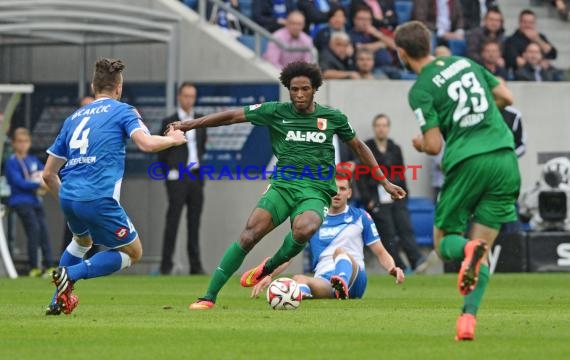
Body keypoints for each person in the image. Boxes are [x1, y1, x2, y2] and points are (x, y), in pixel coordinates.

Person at [167, 61, 406, 310]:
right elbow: (231, 116)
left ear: (314, 89)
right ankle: (208, 296)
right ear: (288, 89)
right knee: (249, 234)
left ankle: (267, 268)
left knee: (305, 228)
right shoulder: (275, 111)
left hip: (316, 190)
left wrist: (385, 181)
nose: (299, 94)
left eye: (305, 89)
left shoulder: (332, 117)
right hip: (283, 186)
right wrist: (188, 124)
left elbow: (359, 147)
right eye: (294, 89)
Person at [395, 21, 520, 340]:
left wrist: (420, 142)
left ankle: (469, 247)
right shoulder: (465, 62)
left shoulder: (420, 89)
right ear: (430, 41)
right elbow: (506, 96)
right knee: (484, 250)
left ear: (402, 53)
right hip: (505, 158)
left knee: (445, 243)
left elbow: (434, 145)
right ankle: (467, 319)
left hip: (468, 162)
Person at [43, 58, 187, 315]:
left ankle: (57, 300)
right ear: (119, 88)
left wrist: (68, 200)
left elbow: (47, 175)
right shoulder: (123, 110)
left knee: (81, 241)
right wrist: (174, 140)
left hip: (69, 197)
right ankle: (70, 273)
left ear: (92, 86)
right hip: (97, 198)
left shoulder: (73, 118)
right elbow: (146, 144)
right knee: (133, 252)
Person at [249, 178, 405, 300]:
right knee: (298, 279)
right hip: (325, 280)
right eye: (334, 188)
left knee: (340, 252)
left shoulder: (360, 217)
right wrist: (269, 275)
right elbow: (288, 255)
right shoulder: (314, 219)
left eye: (342, 189)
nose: (337, 193)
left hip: (355, 278)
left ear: (349, 193)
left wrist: (392, 268)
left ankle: (341, 282)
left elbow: (380, 251)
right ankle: (300, 298)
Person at [357, 114, 425, 272]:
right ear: (374, 128)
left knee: (405, 226)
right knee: (387, 231)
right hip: (376, 198)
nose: (381, 128)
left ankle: (417, 261)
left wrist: (404, 194)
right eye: (378, 125)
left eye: (384, 125)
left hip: (395, 196)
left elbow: (401, 173)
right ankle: (399, 266)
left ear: (388, 128)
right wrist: (368, 199)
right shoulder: (367, 148)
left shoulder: (395, 148)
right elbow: (360, 176)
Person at [158, 83, 207, 275]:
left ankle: (195, 266)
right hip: (177, 178)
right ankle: (166, 265)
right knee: (173, 221)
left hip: (195, 176)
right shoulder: (169, 121)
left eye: (192, 96)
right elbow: (161, 153)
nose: (189, 100)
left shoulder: (200, 121)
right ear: (179, 97)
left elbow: (201, 148)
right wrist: (168, 175)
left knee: (194, 223)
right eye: (186, 96)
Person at [5, 128, 55, 277]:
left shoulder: (33, 160)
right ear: (14, 143)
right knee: (33, 231)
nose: (23, 144)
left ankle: (49, 265)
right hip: (20, 200)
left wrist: (45, 185)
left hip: (35, 200)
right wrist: (38, 185)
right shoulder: (11, 162)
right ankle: (34, 267)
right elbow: (18, 182)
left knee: (44, 231)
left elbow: (44, 175)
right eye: (19, 141)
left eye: (25, 141)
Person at [504, 9, 557, 73]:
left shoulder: (540, 37)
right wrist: (538, 63)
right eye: (525, 22)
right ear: (519, 23)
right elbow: (515, 61)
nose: (528, 25)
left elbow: (553, 54)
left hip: (542, 73)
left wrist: (537, 40)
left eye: (531, 22)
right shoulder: (512, 40)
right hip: (521, 74)